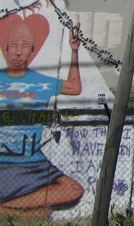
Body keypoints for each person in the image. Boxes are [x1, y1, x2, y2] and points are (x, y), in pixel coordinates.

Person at [0, 14, 83, 217]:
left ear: (32, 50)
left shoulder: (42, 82)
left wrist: (74, 51)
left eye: (24, 46)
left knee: (73, 189)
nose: (18, 51)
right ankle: (21, 213)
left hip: (34, 163)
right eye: (13, 45)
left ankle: (6, 210)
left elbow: (74, 87)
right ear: (5, 48)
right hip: (2, 162)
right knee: (43, 212)